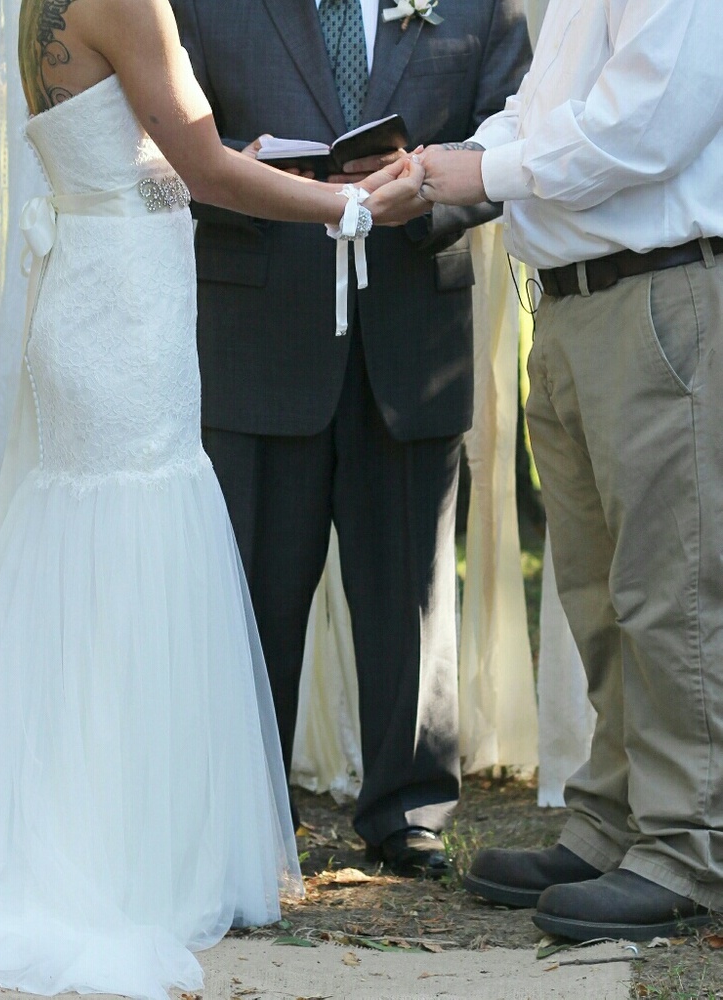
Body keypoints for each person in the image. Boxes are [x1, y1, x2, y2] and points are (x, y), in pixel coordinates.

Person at [0, 1, 427, 997]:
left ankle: (92, 825)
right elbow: (204, 173)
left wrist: (236, 152)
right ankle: (107, 850)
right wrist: (346, 206)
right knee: (125, 561)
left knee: (85, 564)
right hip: (125, 320)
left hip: (91, 293)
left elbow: (117, 151)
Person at [171, 0, 531, 877]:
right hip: (259, 332)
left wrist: (434, 190)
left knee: (410, 592)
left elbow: (515, 132)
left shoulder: (480, 5)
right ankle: (247, 802)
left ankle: (408, 807)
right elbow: (158, 143)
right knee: (252, 591)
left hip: (412, 338)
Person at [417, 0, 723, 941]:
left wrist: (481, 170)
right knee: (596, 592)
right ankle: (616, 821)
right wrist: (442, 164)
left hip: (657, 293)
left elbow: (644, 129)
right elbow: (542, 110)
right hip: (575, 302)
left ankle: (691, 848)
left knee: (669, 587)